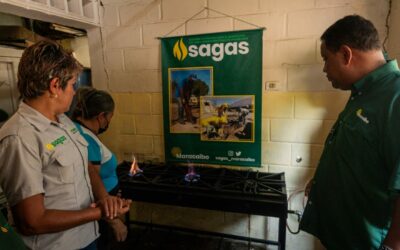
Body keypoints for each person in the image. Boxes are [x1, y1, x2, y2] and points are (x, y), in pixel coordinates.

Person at [0, 40, 131, 250]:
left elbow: (86, 166)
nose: (73, 92)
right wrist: (101, 212)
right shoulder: (20, 137)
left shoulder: (64, 120)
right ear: (54, 86)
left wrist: (106, 200)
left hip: (87, 237)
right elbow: (32, 221)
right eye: (72, 85)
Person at [299, 15, 400, 250]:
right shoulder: (364, 92)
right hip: (341, 236)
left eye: (326, 59)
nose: (324, 69)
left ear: (346, 54)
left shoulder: (394, 98)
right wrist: (322, 180)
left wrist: (392, 246)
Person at [70, 87, 128, 249]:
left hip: (105, 207)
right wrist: (114, 221)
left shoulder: (75, 128)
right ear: (101, 116)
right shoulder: (86, 139)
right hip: (101, 214)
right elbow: (89, 184)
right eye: (110, 117)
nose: (109, 122)